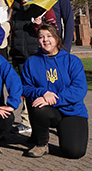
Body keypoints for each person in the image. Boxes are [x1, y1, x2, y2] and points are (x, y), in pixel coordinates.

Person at [21, 24, 88, 159]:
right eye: (41, 37)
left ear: (57, 39)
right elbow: (25, 87)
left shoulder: (72, 61)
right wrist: (42, 93)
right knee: (39, 107)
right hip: (48, 110)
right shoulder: (31, 62)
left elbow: (79, 89)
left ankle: (65, 133)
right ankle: (41, 144)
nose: (45, 40)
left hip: (71, 110)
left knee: (74, 153)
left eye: (49, 36)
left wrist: (54, 98)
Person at [9, 0, 56, 136]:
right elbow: (13, 33)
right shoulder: (14, 9)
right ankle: (26, 121)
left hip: (37, 55)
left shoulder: (41, 5)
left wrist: (40, 25)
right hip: (21, 56)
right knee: (25, 90)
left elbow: (53, 29)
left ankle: (39, 123)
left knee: (40, 89)